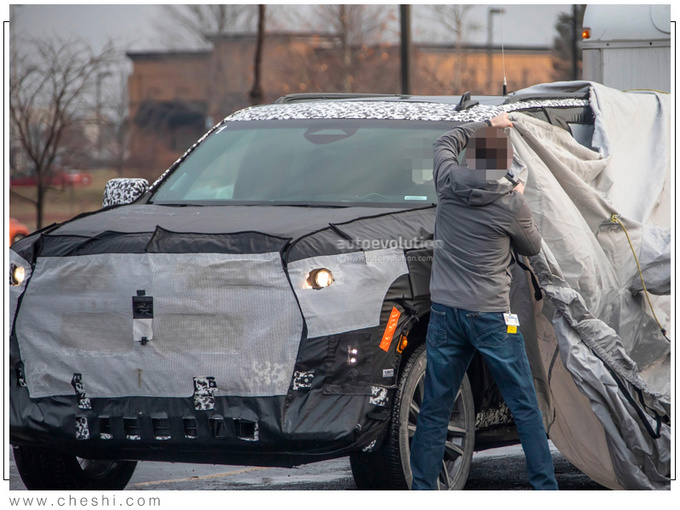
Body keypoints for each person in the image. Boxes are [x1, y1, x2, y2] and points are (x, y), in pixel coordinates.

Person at [409, 112, 558, 490]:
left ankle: (423, 490)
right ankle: (545, 489)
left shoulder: (446, 182)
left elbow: (443, 143)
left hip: (445, 314)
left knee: (435, 409)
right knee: (524, 406)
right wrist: (518, 199)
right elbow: (532, 247)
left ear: (470, 157)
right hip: (492, 316)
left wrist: (487, 126)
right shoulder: (511, 204)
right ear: (505, 166)